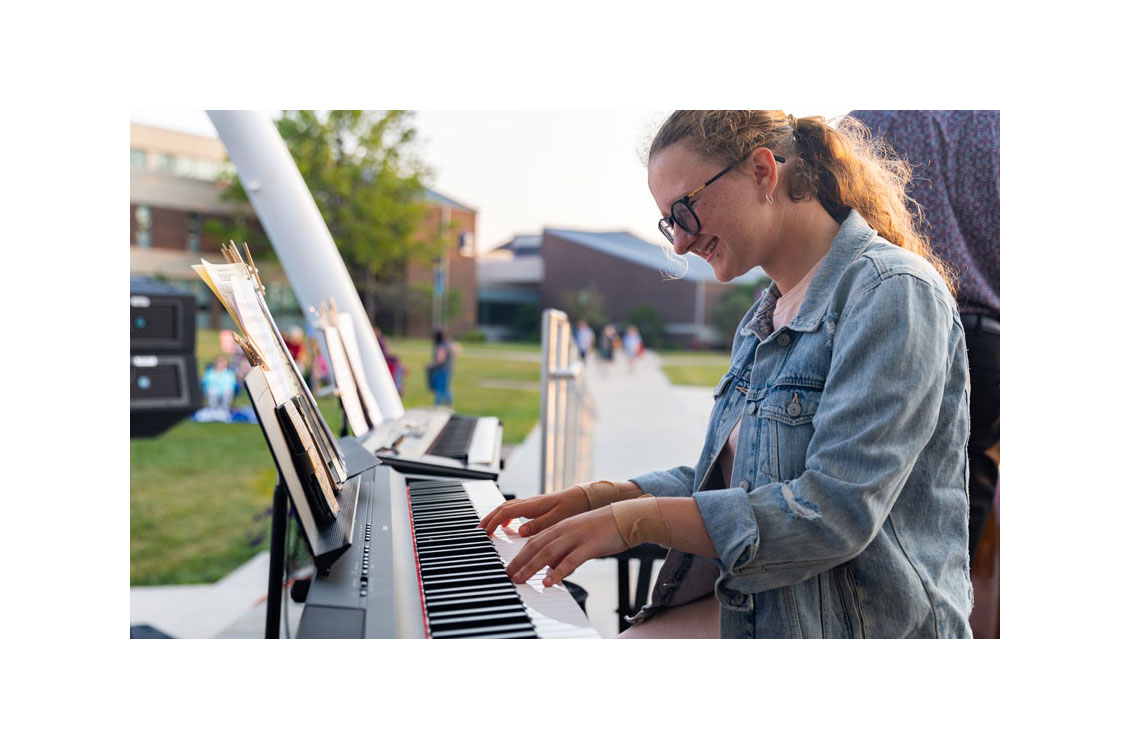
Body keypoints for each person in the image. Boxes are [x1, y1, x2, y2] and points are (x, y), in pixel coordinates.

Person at [480, 110, 972, 638]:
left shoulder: (892, 291)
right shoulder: (762, 318)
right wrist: (601, 498)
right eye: (669, 222)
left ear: (763, 172)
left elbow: (833, 514)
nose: (680, 244)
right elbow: (740, 484)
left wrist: (633, 523)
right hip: (766, 609)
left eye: (685, 210)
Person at [848, 110, 1000, 568]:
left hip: (890, 317)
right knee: (960, 497)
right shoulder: (996, 126)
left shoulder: (869, 120)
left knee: (870, 491)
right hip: (986, 336)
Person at [429, 329, 459, 407]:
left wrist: (431, 365)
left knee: (440, 389)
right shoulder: (448, 343)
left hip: (441, 370)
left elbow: (440, 358)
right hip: (449, 369)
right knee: (446, 388)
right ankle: (449, 404)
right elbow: (457, 350)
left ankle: (437, 405)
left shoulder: (441, 345)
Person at [201, 355, 238, 420]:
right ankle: (213, 410)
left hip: (225, 392)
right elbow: (206, 383)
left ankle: (224, 411)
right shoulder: (210, 372)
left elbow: (232, 384)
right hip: (213, 392)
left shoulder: (229, 373)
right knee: (211, 391)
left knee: (228, 391)